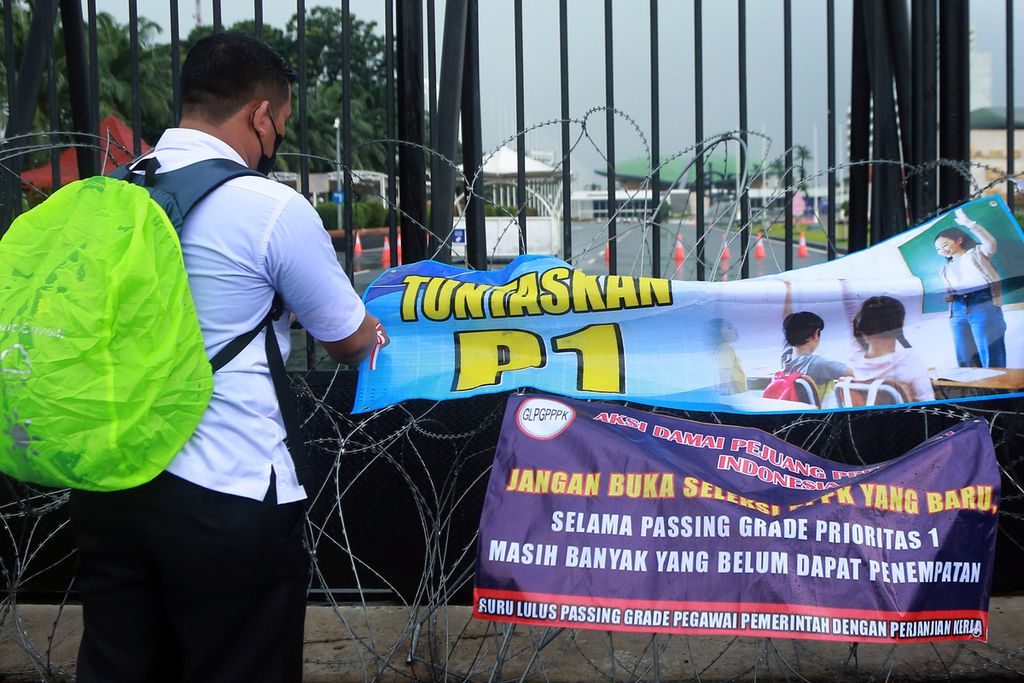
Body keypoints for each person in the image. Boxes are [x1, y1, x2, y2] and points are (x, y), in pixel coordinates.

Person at [68, 33, 386, 682]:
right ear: (261, 116)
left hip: (111, 488)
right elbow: (351, 339)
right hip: (229, 494)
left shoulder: (110, 194)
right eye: (282, 125)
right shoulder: (267, 208)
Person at [934, 208, 1007, 368]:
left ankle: (996, 391)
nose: (942, 251)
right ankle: (973, 391)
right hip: (957, 309)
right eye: (938, 249)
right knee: (965, 356)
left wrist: (969, 224)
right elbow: (948, 290)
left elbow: (991, 243)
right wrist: (948, 297)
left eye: (944, 245)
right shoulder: (945, 269)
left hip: (982, 302)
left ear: (959, 240)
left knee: (990, 353)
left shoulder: (977, 253)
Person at [848, 296, 934, 402]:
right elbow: (927, 403)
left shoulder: (853, 364)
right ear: (899, 327)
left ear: (862, 329)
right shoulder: (910, 360)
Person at [779, 311, 852, 399]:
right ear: (816, 334)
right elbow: (854, 373)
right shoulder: (817, 365)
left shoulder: (786, 358)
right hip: (824, 411)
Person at [707, 318, 747, 394]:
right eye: (729, 327)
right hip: (735, 397)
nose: (735, 329)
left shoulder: (722, 348)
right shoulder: (725, 349)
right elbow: (724, 375)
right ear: (718, 333)